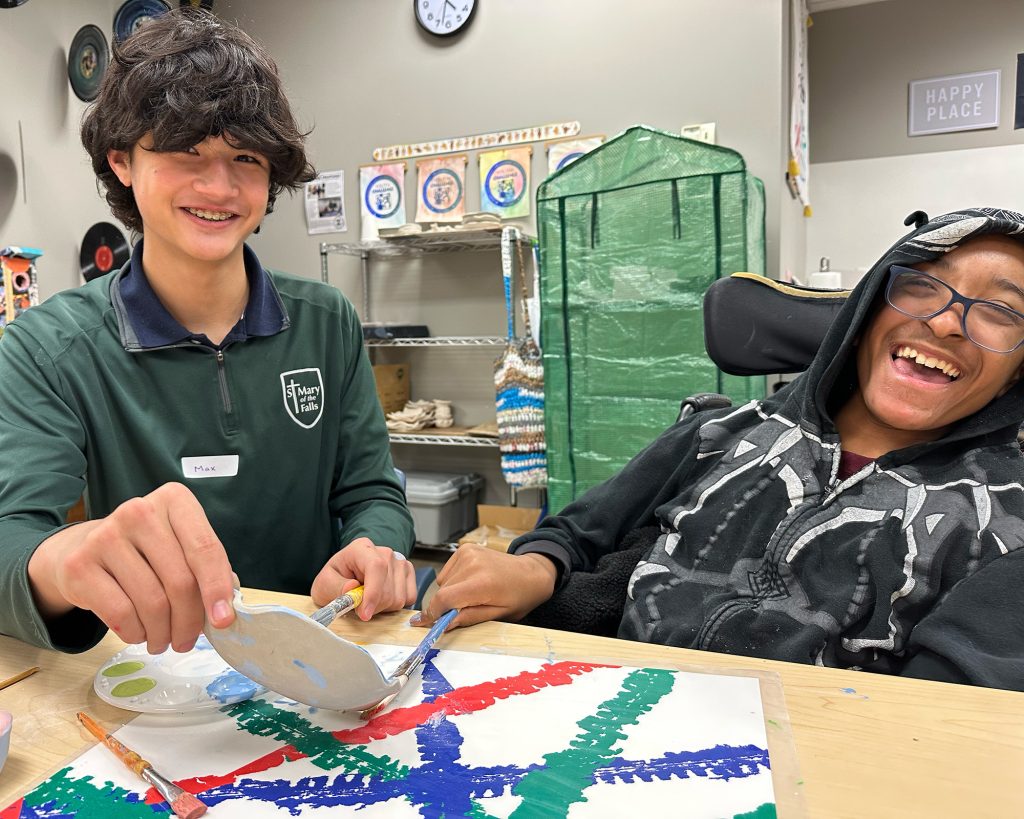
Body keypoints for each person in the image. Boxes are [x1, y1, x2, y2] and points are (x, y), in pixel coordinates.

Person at [418, 207, 1024, 691]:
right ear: (867, 309)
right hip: (592, 718)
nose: (945, 322)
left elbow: (945, 720)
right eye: (920, 286)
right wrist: (532, 567)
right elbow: (578, 533)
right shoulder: (719, 432)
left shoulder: (1006, 525)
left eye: (1001, 311)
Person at [0, 9, 416, 656]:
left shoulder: (327, 320)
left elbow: (372, 490)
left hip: (312, 659)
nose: (219, 186)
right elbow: (11, 539)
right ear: (123, 161)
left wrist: (375, 545)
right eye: (185, 150)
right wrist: (64, 559)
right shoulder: (47, 348)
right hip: (152, 671)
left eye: (246, 157)